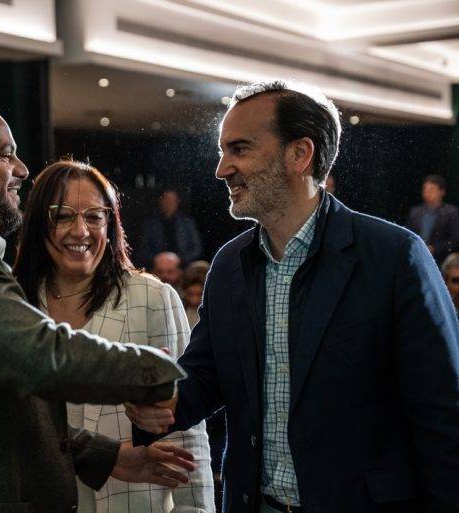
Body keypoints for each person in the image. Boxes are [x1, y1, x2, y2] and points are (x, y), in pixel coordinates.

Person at [127, 80, 459, 513]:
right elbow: (207, 375)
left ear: (299, 155)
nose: (222, 169)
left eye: (240, 149)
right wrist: (165, 403)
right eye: (222, 151)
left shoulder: (394, 256)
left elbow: (442, 415)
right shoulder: (229, 265)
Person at [0, 92, 195, 513]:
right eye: (5, 155)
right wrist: (158, 372)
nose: (22, 170)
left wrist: (107, 456)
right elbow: (38, 355)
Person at [14, 159, 214, 513]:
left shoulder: (151, 296)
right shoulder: (14, 303)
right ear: (36, 224)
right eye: (62, 216)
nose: (81, 231)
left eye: (94, 216)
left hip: (133, 500)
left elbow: (187, 430)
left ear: (111, 223)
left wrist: (194, 509)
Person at [138, 189, 203, 267]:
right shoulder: (150, 222)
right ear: (160, 201)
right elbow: (143, 248)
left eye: (172, 201)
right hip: (156, 266)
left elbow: (196, 248)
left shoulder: (187, 222)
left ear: (177, 202)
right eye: (166, 200)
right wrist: (157, 259)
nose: (169, 204)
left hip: (182, 266)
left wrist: (180, 259)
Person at [406, 174, 459, 263]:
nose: (427, 192)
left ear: (442, 192)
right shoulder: (415, 212)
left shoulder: (451, 212)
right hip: (417, 258)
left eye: (431, 190)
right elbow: (408, 234)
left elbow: (455, 240)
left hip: (442, 260)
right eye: (425, 189)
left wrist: (434, 249)